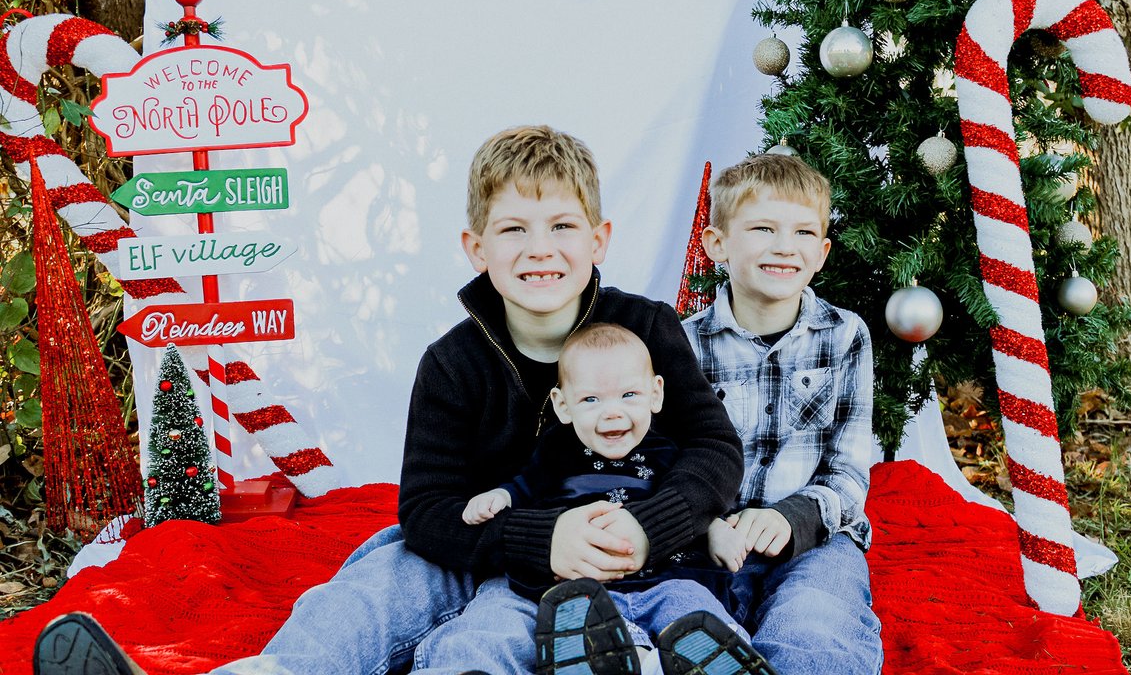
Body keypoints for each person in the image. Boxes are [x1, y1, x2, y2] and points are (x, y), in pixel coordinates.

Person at [33, 125, 744, 675]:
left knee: (485, 643)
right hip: (484, 546)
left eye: (562, 227)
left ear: (599, 240)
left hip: (631, 548)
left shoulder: (645, 327)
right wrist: (536, 537)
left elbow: (714, 450)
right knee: (378, 579)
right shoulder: (452, 362)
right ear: (476, 247)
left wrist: (652, 525)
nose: (541, 249)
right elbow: (428, 509)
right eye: (514, 229)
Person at [446, 322, 772, 675]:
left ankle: (720, 660)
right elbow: (526, 488)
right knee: (572, 616)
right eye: (590, 399)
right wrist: (499, 496)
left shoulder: (669, 452)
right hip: (582, 589)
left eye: (628, 395)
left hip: (667, 578)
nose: (612, 412)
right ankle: (600, 657)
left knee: (694, 610)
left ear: (655, 394)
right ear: (563, 405)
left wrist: (716, 528)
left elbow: (694, 505)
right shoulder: (556, 452)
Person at [681, 152, 884, 674]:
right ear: (717, 244)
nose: (783, 247)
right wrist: (705, 527)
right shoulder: (682, 343)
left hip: (816, 536)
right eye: (763, 228)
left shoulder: (844, 335)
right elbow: (666, 459)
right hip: (707, 539)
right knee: (685, 626)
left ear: (822, 252)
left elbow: (848, 467)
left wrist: (791, 517)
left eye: (802, 233)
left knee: (815, 625)